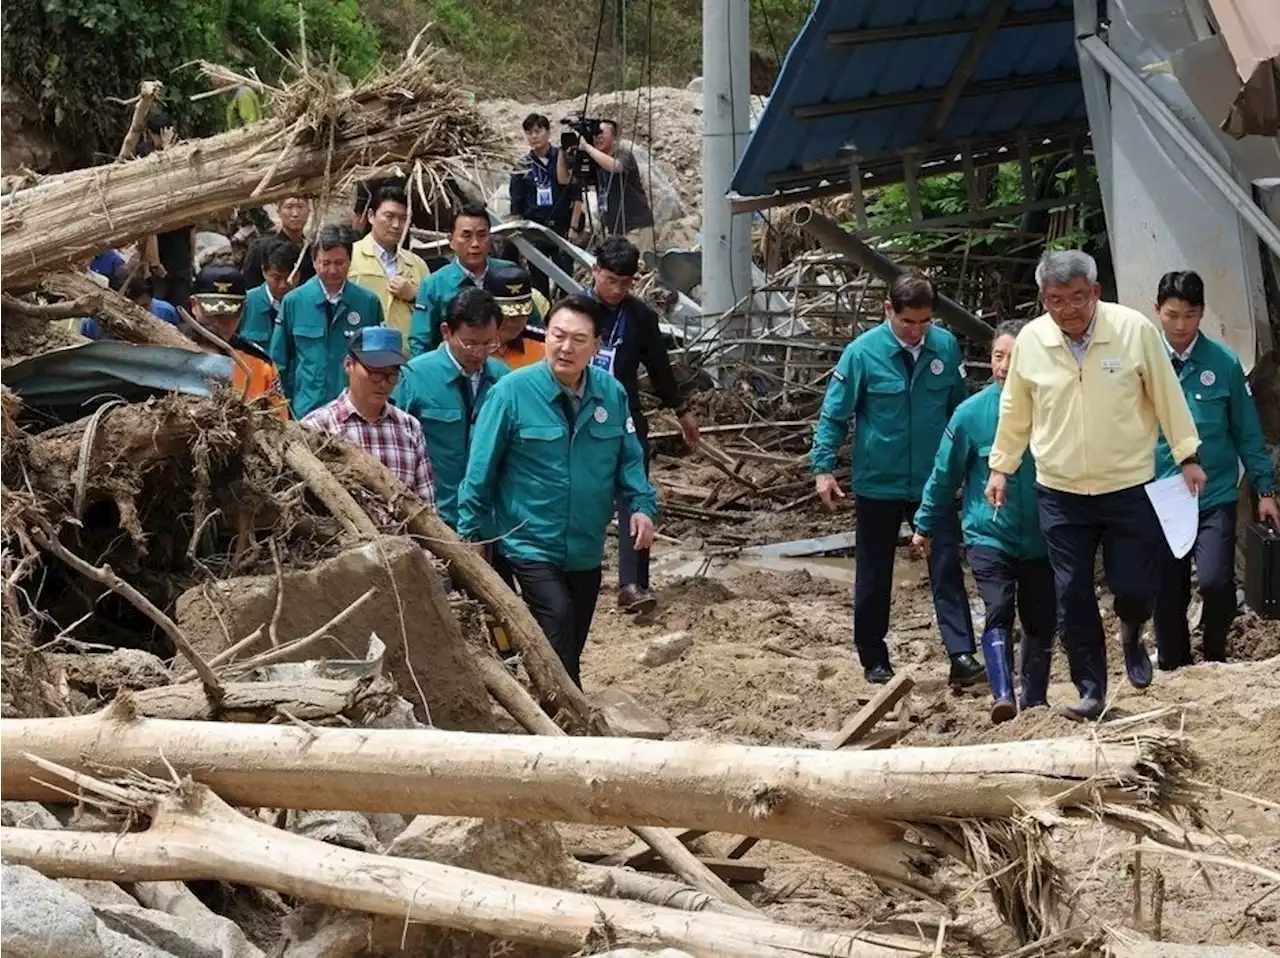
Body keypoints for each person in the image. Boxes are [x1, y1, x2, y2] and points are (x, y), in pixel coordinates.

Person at [987, 250, 1205, 720]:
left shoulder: (1133, 331)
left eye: (1077, 298)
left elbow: (1167, 394)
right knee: (1072, 593)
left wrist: (1187, 455)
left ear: (1096, 293)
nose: (1067, 309)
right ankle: (1091, 690)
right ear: (1043, 299)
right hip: (1060, 490)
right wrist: (1001, 466)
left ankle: (1132, 631)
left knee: (1131, 585)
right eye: (1055, 300)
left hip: (1127, 483)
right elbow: (1015, 409)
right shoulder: (1031, 341)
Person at [457, 294, 658, 687]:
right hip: (528, 542)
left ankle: (555, 700)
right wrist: (471, 536)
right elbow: (479, 470)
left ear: (597, 346)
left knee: (571, 639)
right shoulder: (511, 393)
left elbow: (630, 459)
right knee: (558, 618)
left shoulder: (611, 394)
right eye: (558, 335)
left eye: (578, 339)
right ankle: (562, 714)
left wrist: (641, 505)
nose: (566, 348)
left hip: (584, 545)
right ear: (545, 335)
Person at [811, 271, 982, 687]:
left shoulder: (945, 348)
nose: (916, 332)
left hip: (933, 481)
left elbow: (961, 414)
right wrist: (823, 467)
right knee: (874, 570)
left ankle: (961, 655)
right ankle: (873, 656)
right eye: (908, 322)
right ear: (889, 310)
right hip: (878, 481)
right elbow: (835, 413)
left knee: (945, 567)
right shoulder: (861, 354)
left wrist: (972, 466)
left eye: (925, 322)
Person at [913, 320, 1055, 721]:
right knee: (999, 606)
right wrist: (923, 525)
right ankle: (1003, 695)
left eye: (1015, 357)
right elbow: (944, 475)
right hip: (987, 531)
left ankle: (1036, 699)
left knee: (1041, 615)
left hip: (1042, 536)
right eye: (998, 355)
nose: (1005, 366)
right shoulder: (970, 415)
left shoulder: (1052, 410)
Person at [1151, 270, 1280, 669]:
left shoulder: (1222, 362)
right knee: (1168, 586)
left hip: (1215, 492)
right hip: (1162, 492)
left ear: (1202, 313)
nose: (1180, 325)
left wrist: (1265, 490)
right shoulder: (1145, 362)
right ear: (1157, 311)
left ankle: (1215, 651)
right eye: (1172, 315)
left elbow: (1247, 432)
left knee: (1215, 581)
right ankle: (1174, 662)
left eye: (1189, 315)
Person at [589, 237, 698, 613]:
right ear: (594, 272)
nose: (617, 290)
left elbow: (659, 368)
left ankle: (634, 583)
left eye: (625, 282)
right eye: (609, 280)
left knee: (635, 494)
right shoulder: (575, 311)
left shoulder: (640, 316)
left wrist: (681, 410)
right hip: (577, 415)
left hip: (625, 416)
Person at [393, 287, 508, 531]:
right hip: (435, 520)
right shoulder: (413, 377)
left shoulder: (503, 379)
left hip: (491, 521)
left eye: (489, 343)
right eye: (469, 344)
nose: (479, 354)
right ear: (446, 332)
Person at [302, 326, 436, 509]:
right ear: (349, 365)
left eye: (392, 375)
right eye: (375, 372)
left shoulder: (410, 428)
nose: (383, 383)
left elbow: (427, 507)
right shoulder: (318, 427)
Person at [269, 225, 386, 419]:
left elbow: (380, 360)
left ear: (350, 261)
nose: (332, 270)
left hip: (354, 413)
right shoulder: (294, 301)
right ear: (314, 262)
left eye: (340, 263)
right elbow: (279, 363)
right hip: (306, 411)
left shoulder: (368, 303)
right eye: (325, 263)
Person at [183, 264, 287, 418]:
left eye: (228, 317)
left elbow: (280, 422)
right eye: (212, 315)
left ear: (243, 310)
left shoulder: (260, 363)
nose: (218, 324)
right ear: (194, 305)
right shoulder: (169, 351)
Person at [410, 203, 514, 356]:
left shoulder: (509, 274)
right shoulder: (434, 284)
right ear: (451, 240)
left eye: (482, 235)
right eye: (466, 236)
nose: (475, 244)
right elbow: (420, 342)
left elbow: (533, 328)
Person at [508, 112, 583, 295]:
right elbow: (516, 205)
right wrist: (518, 239)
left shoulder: (563, 157)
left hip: (561, 229)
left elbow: (577, 197)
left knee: (565, 279)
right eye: (529, 132)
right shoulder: (522, 166)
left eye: (537, 131)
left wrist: (573, 228)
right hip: (534, 230)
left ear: (548, 132)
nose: (533, 136)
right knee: (538, 283)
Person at [349, 185, 430, 341]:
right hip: (361, 351)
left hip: (407, 354)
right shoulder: (350, 257)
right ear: (371, 216)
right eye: (389, 216)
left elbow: (433, 309)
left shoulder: (417, 264)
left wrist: (414, 295)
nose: (396, 225)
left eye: (403, 218)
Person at [566, 119, 654, 240]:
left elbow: (615, 166)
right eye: (595, 135)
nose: (598, 138)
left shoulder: (624, 155)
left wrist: (587, 147)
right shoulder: (596, 163)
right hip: (615, 231)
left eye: (602, 134)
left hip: (636, 228)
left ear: (614, 137)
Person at [80, 270, 180, 340]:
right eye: (132, 307)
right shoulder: (94, 323)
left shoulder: (166, 312)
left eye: (145, 306)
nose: (139, 313)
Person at [238, 237, 301, 350]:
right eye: (276, 278)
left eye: (289, 278)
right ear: (264, 271)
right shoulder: (246, 304)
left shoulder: (306, 305)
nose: (283, 285)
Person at [243, 195, 314, 289]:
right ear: (279, 212)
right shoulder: (261, 248)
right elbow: (250, 284)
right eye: (289, 207)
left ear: (309, 211)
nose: (295, 214)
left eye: (300, 207)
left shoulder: (313, 250)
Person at [486, 265, 546, 371]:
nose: (515, 323)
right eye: (508, 317)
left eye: (522, 315)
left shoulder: (542, 347)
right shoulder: (468, 347)